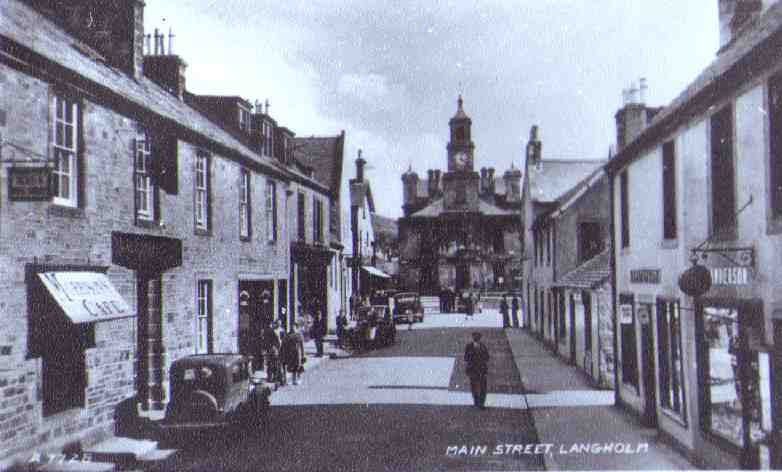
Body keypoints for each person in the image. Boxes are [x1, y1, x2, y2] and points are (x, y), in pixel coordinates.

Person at [464, 332, 490, 409]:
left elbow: (487, 357)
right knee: (474, 387)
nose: (476, 338)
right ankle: (476, 402)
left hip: (481, 369)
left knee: (483, 387)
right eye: (475, 337)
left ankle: (481, 403)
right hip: (473, 369)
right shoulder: (469, 346)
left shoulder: (483, 346)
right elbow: (465, 358)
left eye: (477, 337)